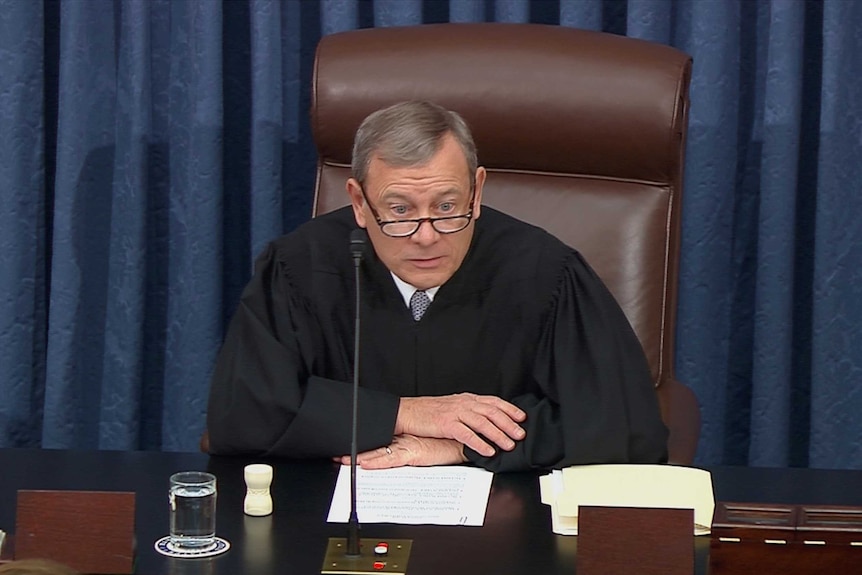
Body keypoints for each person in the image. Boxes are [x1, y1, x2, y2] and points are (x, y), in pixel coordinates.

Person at [206, 100, 668, 472]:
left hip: (506, 528)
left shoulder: (545, 273)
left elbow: (624, 427)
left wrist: (465, 447)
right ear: (359, 204)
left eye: (447, 206)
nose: (427, 236)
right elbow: (241, 414)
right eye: (400, 210)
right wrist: (404, 413)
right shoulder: (299, 267)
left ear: (477, 191)